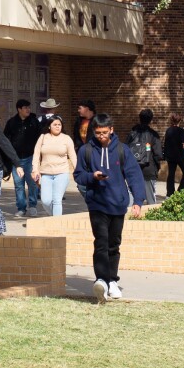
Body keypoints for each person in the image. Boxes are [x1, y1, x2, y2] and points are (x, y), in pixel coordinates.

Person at [73, 113, 145, 303]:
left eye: (105, 132)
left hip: (118, 204)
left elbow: (134, 175)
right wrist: (92, 176)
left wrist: (138, 201)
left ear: (111, 130)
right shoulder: (86, 150)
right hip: (97, 204)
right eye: (97, 133)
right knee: (101, 243)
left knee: (114, 244)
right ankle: (101, 281)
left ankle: (112, 280)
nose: (101, 136)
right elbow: (79, 175)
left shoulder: (122, 150)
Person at [4, 99, 42, 217]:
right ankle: (21, 208)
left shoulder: (34, 122)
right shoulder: (11, 122)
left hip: (31, 158)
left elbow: (41, 138)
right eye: (25, 108)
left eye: (29, 107)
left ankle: (33, 206)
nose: (28, 110)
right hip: (17, 160)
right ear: (19, 109)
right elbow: (6, 140)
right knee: (19, 184)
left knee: (32, 183)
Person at [32, 115, 76, 216]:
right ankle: (54, 218)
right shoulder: (43, 137)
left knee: (57, 200)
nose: (57, 127)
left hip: (62, 173)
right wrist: (35, 170)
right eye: (55, 124)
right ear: (49, 126)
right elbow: (36, 154)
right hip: (46, 174)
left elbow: (73, 156)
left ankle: (57, 224)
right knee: (46, 201)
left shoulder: (66, 138)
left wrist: (77, 170)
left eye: (59, 125)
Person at [126, 109, 163, 204]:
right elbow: (158, 154)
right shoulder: (153, 134)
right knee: (150, 198)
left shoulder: (132, 133)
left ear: (140, 118)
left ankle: (130, 216)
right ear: (151, 119)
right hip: (149, 169)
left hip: (133, 168)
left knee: (131, 195)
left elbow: (125, 149)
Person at [163, 113, 184, 198]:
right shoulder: (181, 131)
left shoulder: (168, 130)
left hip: (170, 155)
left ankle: (170, 193)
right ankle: (180, 190)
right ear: (180, 121)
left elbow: (166, 143)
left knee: (171, 174)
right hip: (180, 155)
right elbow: (183, 140)